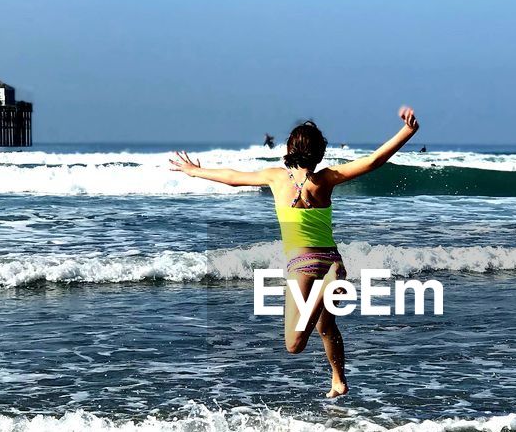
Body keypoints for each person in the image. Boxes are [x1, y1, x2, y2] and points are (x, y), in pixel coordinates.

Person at [170, 106, 420, 398]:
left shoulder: (276, 178)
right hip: (332, 260)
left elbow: (232, 177)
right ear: (319, 152)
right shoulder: (327, 178)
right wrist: (407, 131)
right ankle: (338, 379)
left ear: (290, 149)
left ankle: (327, 287)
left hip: (304, 267)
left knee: (294, 344)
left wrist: (195, 171)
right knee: (326, 326)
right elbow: (373, 160)